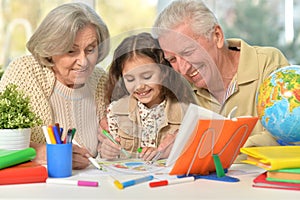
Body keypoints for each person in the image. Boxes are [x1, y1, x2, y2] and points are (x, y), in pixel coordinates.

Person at [153, 0, 290, 161]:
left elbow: (284, 136)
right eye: (173, 59)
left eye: (188, 52)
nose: (183, 69)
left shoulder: (268, 63)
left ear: (217, 36)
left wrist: (214, 147)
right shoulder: (183, 89)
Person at [0, 3, 110, 169]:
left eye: (90, 50)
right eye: (71, 51)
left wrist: (113, 145)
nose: (83, 62)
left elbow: (114, 141)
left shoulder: (101, 79)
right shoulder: (25, 71)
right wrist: (45, 153)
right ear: (51, 48)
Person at [99, 32, 197, 161]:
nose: (139, 86)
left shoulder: (185, 111)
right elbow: (107, 152)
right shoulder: (115, 111)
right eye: (130, 79)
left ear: (164, 73)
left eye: (147, 77)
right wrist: (106, 152)